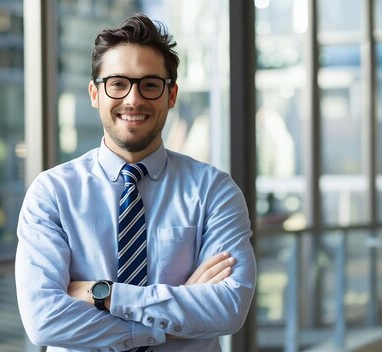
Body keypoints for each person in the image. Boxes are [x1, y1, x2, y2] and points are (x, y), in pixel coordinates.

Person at [15, 13, 256, 352]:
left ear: (171, 95)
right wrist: (170, 320)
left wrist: (105, 294)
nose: (133, 99)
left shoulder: (214, 191)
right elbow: (44, 320)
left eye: (150, 84)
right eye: (117, 83)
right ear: (94, 93)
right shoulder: (52, 193)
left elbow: (228, 309)